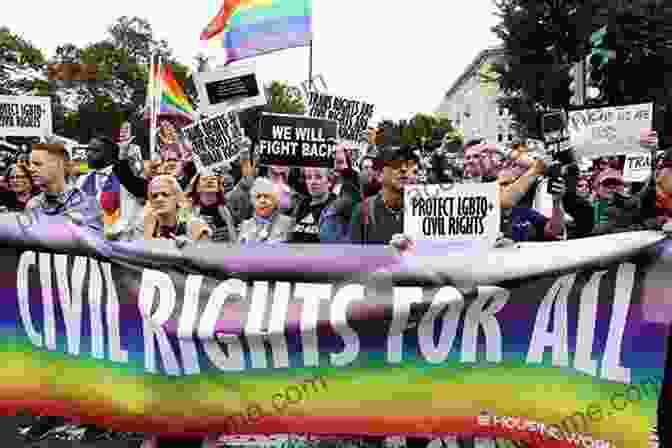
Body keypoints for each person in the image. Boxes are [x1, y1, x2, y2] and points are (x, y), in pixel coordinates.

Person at [26, 142, 103, 232]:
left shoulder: (89, 204)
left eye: (37, 164)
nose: (30, 169)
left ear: (59, 165)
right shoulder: (32, 205)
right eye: (30, 164)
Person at [350, 145, 419, 245]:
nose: (404, 169)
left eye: (409, 165)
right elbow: (354, 257)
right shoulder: (364, 211)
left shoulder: (421, 210)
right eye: (396, 165)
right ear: (379, 175)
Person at [143, 175, 211, 243]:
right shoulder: (148, 226)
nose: (159, 199)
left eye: (165, 194)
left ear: (177, 198)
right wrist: (148, 232)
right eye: (154, 196)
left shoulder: (195, 226)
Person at [237, 177, 294, 244]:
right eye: (258, 197)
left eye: (266, 196)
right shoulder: (245, 225)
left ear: (275, 200)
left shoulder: (287, 223)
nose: (262, 201)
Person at [288, 166, 335, 243]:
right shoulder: (301, 204)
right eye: (309, 177)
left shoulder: (336, 206)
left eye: (318, 177)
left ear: (329, 181)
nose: (313, 182)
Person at [189, 173, 237, 243]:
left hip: (219, 238)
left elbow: (230, 223)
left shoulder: (221, 205)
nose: (209, 182)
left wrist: (234, 242)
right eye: (205, 179)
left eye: (212, 179)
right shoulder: (195, 203)